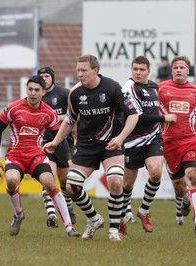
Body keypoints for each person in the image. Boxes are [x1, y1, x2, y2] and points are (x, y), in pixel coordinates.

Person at [43, 54, 139, 241]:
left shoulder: (112, 88)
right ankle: (94, 219)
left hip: (111, 143)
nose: (80, 74)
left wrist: (120, 138)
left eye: (84, 70)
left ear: (96, 70)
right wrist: (55, 141)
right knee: (71, 187)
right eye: (78, 70)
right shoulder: (75, 93)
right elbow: (70, 121)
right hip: (87, 145)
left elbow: (133, 115)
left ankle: (113, 230)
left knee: (115, 182)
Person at [0, 75, 79, 237]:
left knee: (50, 183)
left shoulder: (49, 113)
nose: (32, 93)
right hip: (15, 156)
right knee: (11, 181)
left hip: (36, 156)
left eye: (37, 90)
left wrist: (68, 159)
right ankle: (19, 215)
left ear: (43, 92)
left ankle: (69, 227)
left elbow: (59, 137)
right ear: (26, 90)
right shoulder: (13, 108)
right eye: (30, 89)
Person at [119, 56, 177, 236]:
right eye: (135, 69)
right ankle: (122, 218)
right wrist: (163, 118)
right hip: (133, 141)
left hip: (153, 138)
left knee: (156, 172)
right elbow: (138, 117)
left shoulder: (153, 87)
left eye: (141, 69)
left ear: (148, 71)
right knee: (128, 184)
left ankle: (144, 210)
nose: (137, 72)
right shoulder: (128, 88)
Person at [158, 56, 196, 234]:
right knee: (178, 187)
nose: (178, 70)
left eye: (182, 67)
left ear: (188, 71)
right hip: (169, 144)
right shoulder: (160, 88)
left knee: (193, 176)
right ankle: (184, 201)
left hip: (190, 142)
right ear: (171, 70)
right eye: (175, 67)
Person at [37, 66, 76, 228]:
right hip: (44, 143)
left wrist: (53, 117)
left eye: (47, 76)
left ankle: (67, 204)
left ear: (52, 78)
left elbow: (74, 115)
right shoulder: (35, 95)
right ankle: (52, 214)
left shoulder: (64, 94)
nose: (44, 79)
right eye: (41, 76)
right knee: (47, 179)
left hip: (64, 143)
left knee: (65, 181)